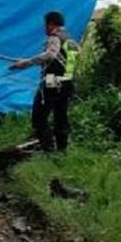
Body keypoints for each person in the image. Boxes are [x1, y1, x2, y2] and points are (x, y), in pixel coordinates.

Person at [10, 11, 78, 152]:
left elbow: (50, 55)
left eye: (45, 24)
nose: (44, 28)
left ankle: (48, 150)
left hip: (52, 81)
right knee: (61, 117)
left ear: (51, 24)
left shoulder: (54, 37)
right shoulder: (70, 39)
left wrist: (24, 63)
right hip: (67, 82)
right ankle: (61, 152)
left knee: (38, 117)